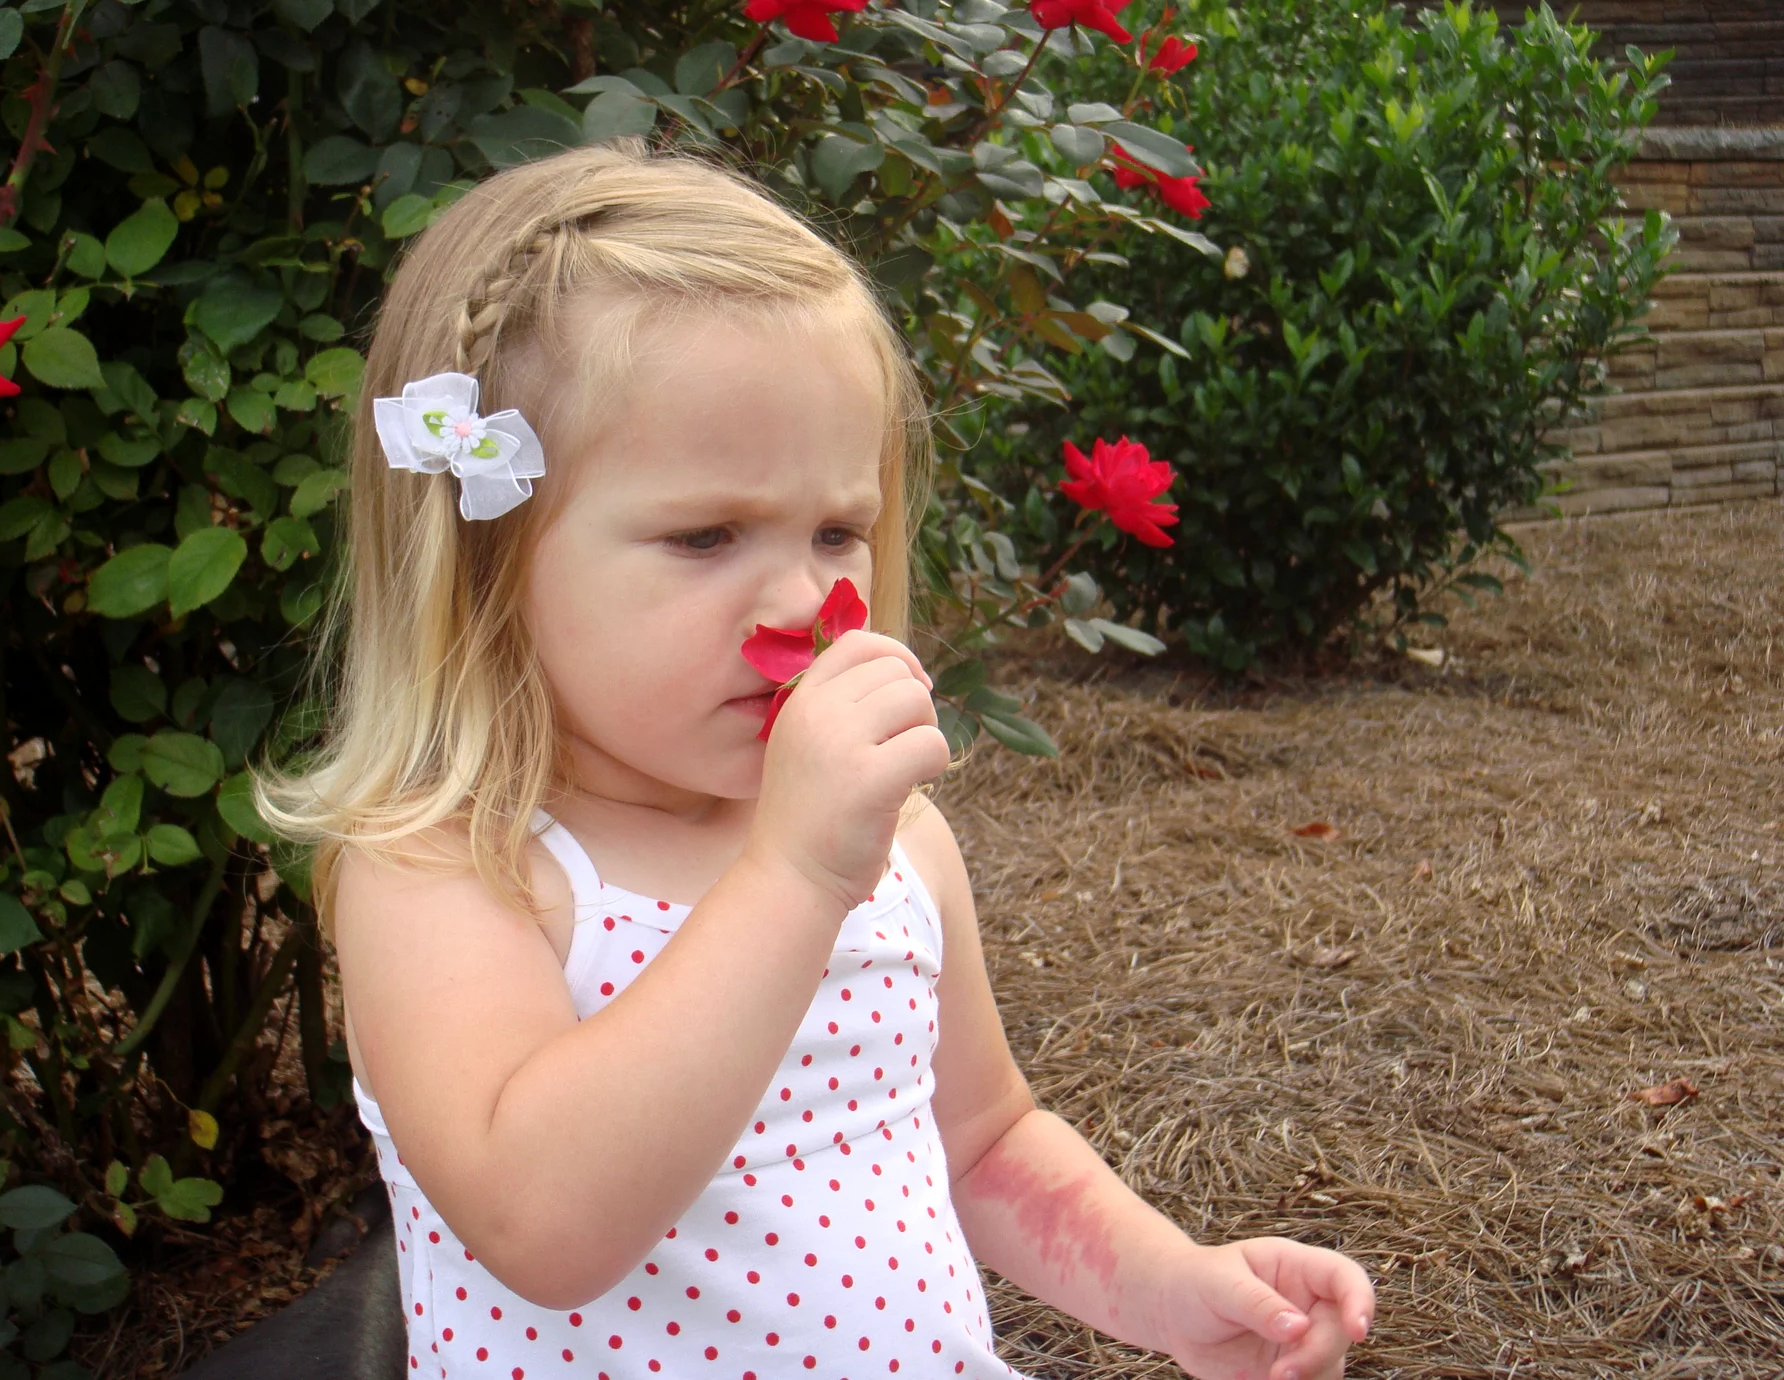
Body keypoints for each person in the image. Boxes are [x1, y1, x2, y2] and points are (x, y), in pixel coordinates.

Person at [256, 140, 1373, 1380]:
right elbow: (543, 1227)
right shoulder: (452, 869)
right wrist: (789, 880)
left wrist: (1168, 1289)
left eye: (839, 530)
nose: (805, 600)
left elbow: (986, 1142)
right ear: (485, 560)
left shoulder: (895, 847)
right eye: (706, 535)